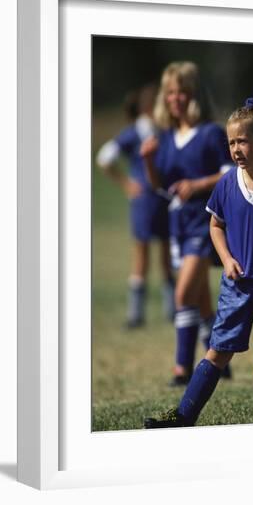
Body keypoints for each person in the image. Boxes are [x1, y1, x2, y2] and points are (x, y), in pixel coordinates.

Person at [144, 95, 253, 427]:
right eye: (231, 142)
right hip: (236, 284)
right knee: (218, 351)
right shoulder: (226, 184)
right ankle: (183, 416)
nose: (235, 148)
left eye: (242, 141)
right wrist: (225, 259)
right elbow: (215, 224)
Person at [140, 61, 233, 386]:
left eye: (181, 92)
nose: (175, 98)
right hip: (178, 223)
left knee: (182, 295)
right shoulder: (165, 137)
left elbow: (229, 173)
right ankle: (218, 359)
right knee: (199, 296)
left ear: (193, 94)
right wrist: (149, 161)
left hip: (207, 223)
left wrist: (196, 185)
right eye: (170, 92)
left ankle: (182, 370)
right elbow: (161, 186)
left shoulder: (210, 133)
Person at [96, 83, 175, 329]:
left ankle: (173, 310)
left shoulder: (165, 131)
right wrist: (125, 183)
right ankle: (135, 314)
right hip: (143, 203)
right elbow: (104, 158)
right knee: (141, 255)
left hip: (165, 200)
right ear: (151, 107)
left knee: (166, 255)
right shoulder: (133, 133)